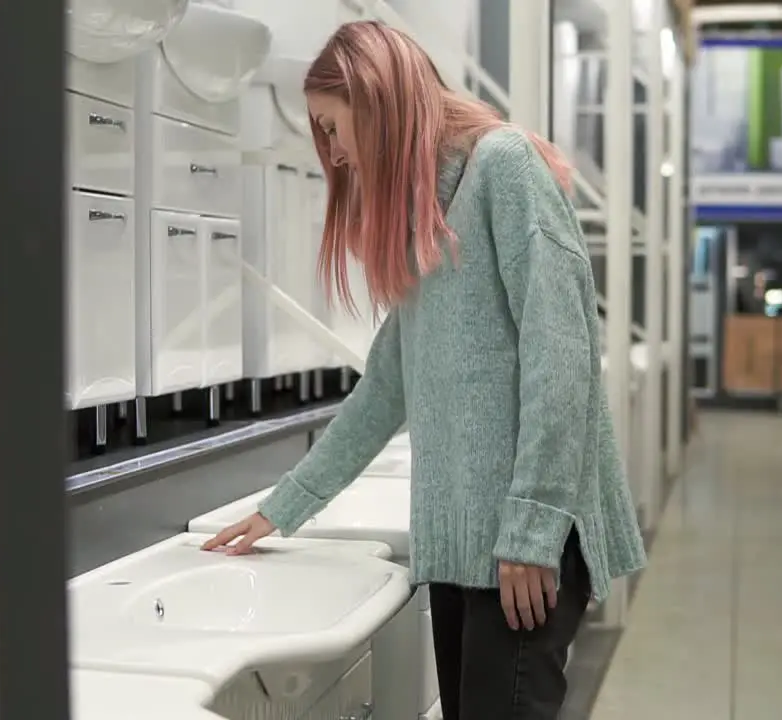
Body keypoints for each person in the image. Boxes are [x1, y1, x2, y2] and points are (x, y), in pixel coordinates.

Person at [202, 19, 646, 719]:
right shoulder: (423, 221)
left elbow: (563, 359)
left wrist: (532, 529)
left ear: (378, 103)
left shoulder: (504, 168)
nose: (335, 154)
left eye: (333, 128)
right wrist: (280, 509)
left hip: (523, 550)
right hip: (463, 550)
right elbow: (385, 388)